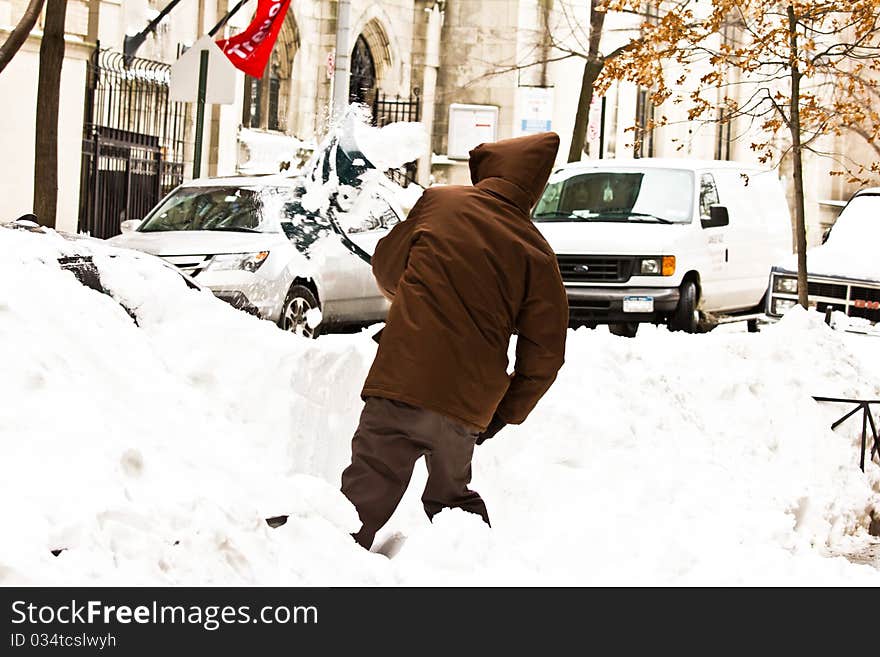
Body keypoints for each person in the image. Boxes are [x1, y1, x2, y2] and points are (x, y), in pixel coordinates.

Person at [340, 131, 568, 550]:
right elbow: (545, 358)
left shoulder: (439, 202)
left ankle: (320, 567)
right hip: (466, 406)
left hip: (401, 381)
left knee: (363, 494)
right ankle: (472, 565)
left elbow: (389, 270)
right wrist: (500, 415)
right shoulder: (537, 252)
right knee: (452, 500)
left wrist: (415, 293)